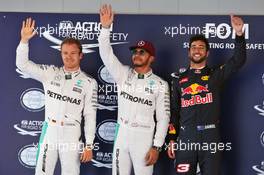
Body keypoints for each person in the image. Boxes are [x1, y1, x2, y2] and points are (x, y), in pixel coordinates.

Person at [16, 18, 98, 175]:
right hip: (50, 132)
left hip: (72, 134)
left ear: (81, 55)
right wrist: (24, 41)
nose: (68, 57)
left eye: (73, 53)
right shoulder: (50, 73)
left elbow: (90, 116)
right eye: (65, 53)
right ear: (61, 54)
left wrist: (89, 145)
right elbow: (22, 65)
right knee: (42, 172)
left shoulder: (89, 82)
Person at [167, 15, 246, 175]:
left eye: (201, 47)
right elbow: (174, 111)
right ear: (189, 51)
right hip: (186, 135)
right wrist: (172, 139)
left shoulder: (215, 75)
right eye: (194, 47)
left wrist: (239, 34)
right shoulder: (178, 79)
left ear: (207, 52)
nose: (197, 50)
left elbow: (238, 60)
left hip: (210, 135)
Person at [98, 4, 170, 175]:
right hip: (121, 135)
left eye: (142, 52)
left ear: (151, 58)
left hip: (144, 138)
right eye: (135, 51)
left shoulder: (160, 84)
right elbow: (106, 54)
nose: (137, 54)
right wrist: (106, 28)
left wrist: (157, 146)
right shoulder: (123, 73)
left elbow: (163, 117)